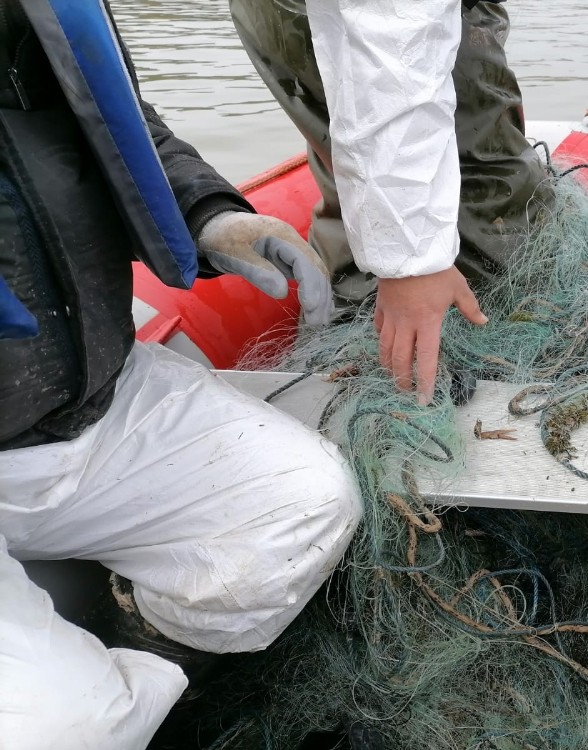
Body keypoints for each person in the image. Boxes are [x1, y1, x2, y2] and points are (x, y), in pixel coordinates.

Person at [0, 2, 362, 748]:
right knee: (65, 729)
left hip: (98, 400)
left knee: (306, 507)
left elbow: (116, 120)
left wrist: (212, 215)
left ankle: (144, 648)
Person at [229, 0, 553, 404]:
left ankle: (356, 334)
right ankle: (435, 362)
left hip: (292, 13)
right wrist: (412, 264)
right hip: (389, 22)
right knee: (489, 194)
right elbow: (395, 44)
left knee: (347, 157)